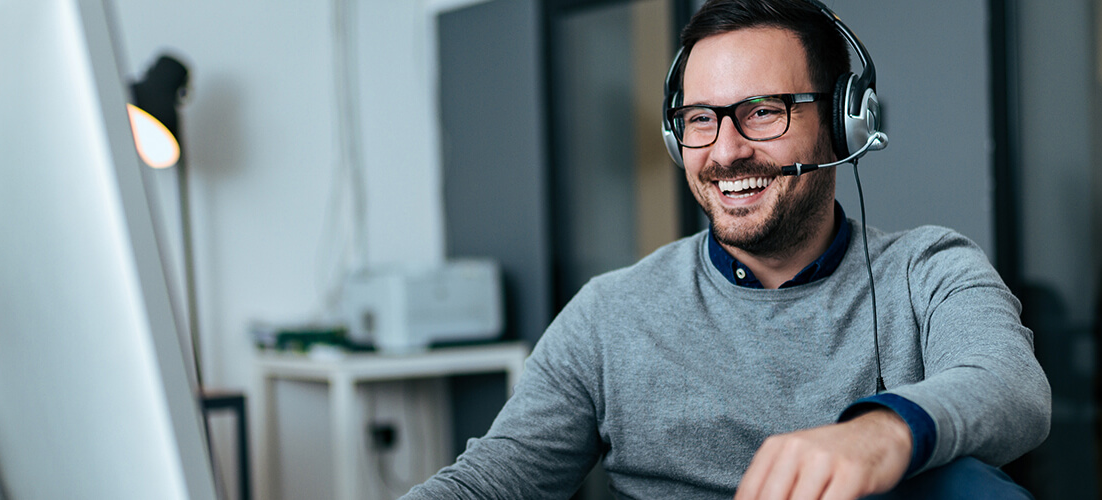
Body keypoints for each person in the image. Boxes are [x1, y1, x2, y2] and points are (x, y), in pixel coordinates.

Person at [403, 0, 1049, 498]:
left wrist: (883, 433)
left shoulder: (928, 271)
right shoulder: (609, 315)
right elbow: (487, 483)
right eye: (700, 119)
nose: (726, 150)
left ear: (844, 122)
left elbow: (1011, 384)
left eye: (763, 111)